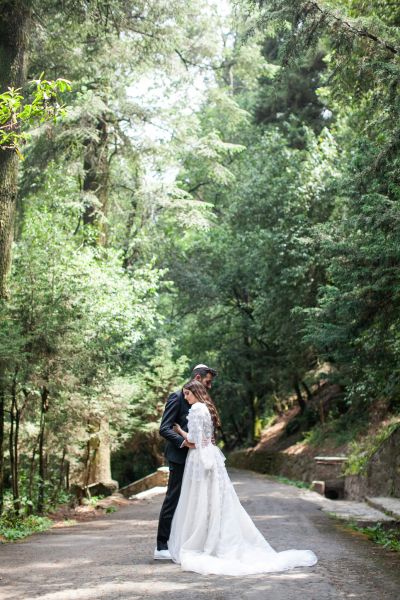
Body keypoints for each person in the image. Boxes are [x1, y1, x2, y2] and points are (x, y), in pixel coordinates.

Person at [167, 380, 318, 576]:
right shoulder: (207, 408)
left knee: (201, 499)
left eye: (187, 394)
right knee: (217, 500)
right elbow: (205, 438)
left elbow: (194, 441)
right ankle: (214, 536)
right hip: (211, 456)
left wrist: (179, 431)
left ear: (195, 393)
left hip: (200, 459)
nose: (185, 398)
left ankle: (204, 540)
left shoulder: (196, 409)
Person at [154, 364, 217, 560]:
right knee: (173, 498)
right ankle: (162, 546)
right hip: (180, 457)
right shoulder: (177, 397)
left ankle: (186, 542)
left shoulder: (202, 401)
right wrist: (184, 442)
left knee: (194, 500)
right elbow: (164, 428)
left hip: (197, 459)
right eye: (207, 381)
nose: (210, 386)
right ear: (198, 377)